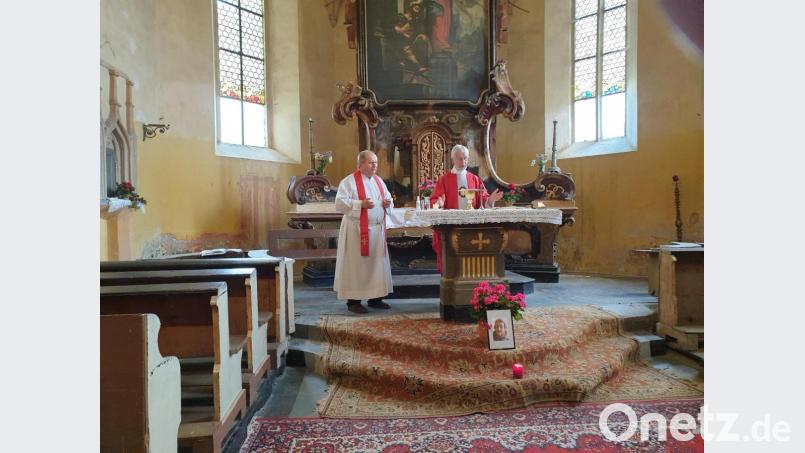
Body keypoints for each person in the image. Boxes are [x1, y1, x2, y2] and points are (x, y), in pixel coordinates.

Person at [333, 150, 394, 314]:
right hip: (357, 231)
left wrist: (388, 203)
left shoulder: (379, 181)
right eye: (371, 162)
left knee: (376, 266)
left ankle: (376, 298)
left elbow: (388, 197)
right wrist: (361, 204)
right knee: (357, 266)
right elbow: (340, 203)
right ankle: (354, 301)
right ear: (360, 164)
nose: (375, 165)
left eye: (376, 162)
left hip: (377, 231)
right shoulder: (349, 182)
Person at [428, 144, 503, 271]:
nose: (463, 162)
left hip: (471, 227)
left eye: (466, 158)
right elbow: (434, 200)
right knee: (452, 261)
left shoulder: (474, 179)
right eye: (460, 158)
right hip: (451, 228)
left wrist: (490, 200)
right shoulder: (444, 180)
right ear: (453, 159)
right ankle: (450, 275)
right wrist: (439, 203)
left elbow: (483, 198)